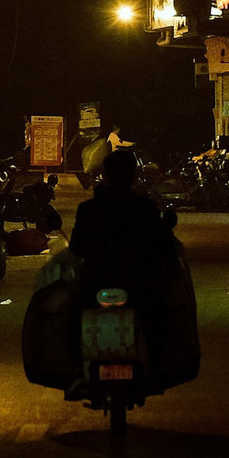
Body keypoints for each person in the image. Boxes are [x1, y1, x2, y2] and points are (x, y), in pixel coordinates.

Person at [69, 147, 175, 359]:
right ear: (133, 176)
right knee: (160, 320)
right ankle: (156, 365)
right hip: (138, 283)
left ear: (105, 175)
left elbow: (76, 247)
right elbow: (163, 244)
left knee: (72, 319)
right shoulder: (145, 207)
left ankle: (76, 366)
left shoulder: (89, 209)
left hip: (96, 282)